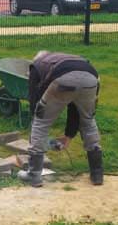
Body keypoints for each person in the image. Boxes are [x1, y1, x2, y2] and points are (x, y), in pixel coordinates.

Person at [18, 51, 102, 187]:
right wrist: (69, 135)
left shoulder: (36, 66)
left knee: (41, 122)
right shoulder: (64, 59)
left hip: (64, 79)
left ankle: (34, 175)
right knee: (88, 120)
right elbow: (75, 108)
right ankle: (97, 174)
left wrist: (37, 119)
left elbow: (34, 100)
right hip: (92, 77)